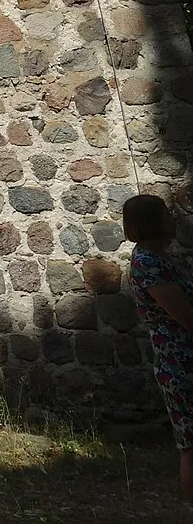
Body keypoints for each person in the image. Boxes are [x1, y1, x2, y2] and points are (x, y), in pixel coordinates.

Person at [126, 192, 193, 503]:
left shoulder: (160, 258)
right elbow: (185, 316)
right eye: (166, 213)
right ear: (153, 222)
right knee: (191, 444)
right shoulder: (147, 263)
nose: (172, 218)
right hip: (180, 363)